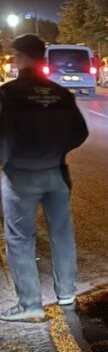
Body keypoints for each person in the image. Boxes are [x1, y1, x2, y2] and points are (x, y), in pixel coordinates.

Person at [0, 34, 89, 322]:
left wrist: (6, 158)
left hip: (21, 175)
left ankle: (30, 304)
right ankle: (66, 293)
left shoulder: (7, 94)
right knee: (62, 233)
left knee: (20, 238)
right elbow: (80, 133)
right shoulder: (60, 94)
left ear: (23, 58)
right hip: (56, 173)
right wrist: (58, 149)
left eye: (16, 55)